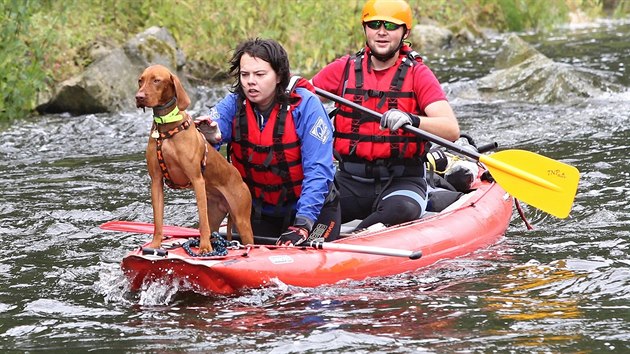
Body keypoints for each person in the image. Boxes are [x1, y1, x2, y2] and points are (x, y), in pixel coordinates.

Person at [311, 0, 460, 230]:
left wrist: (412, 119)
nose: (381, 32)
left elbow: (450, 130)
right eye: (374, 25)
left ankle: (358, 236)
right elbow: (300, 101)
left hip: (402, 182)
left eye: (390, 26)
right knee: (311, 207)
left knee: (401, 210)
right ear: (365, 29)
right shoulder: (343, 69)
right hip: (350, 180)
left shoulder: (418, 74)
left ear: (404, 32)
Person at [196, 38, 340, 246]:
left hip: (313, 212)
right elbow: (210, 134)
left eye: (260, 74)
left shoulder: (306, 106)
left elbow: (318, 170)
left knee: (301, 256)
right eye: (244, 75)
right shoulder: (234, 104)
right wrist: (210, 138)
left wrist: (302, 224)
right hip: (259, 212)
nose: (250, 82)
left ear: (278, 75)